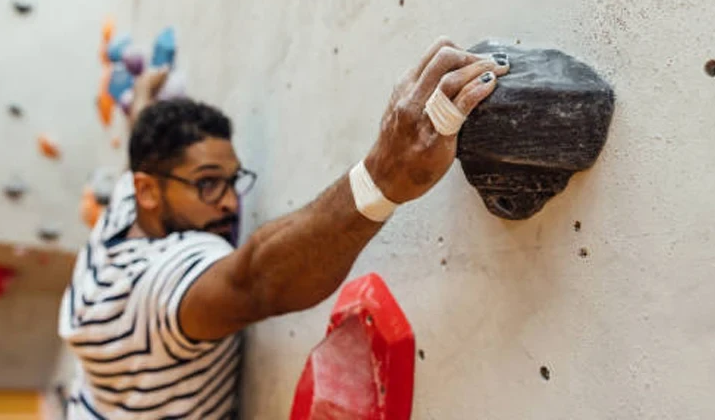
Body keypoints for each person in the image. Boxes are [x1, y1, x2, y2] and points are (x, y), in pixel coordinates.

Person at [58, 38, 510, 418]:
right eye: (209, 184)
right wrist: (384, 176)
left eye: (233, 181)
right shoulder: (154, 288)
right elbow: (254, 279)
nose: (231, 203)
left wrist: (143, 101)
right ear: (149, 190)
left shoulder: (123, 209)